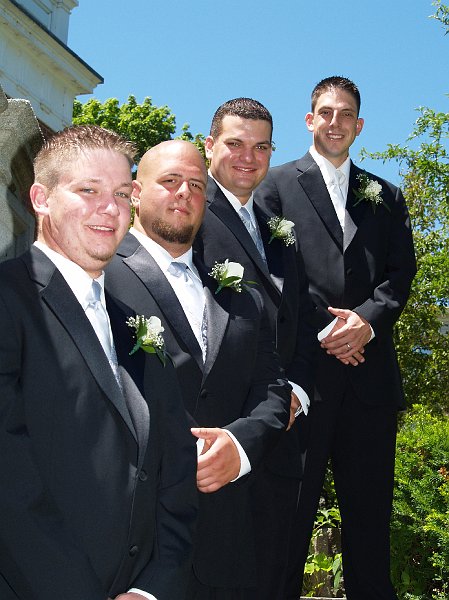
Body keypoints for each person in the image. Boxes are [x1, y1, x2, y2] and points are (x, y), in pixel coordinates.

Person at [0, 125, 198, 600]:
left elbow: (175, 467)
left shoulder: (137, 325)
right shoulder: (8, 299)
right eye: (88, 190)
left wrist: (152, 587)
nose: (111, 209)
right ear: (41, 199)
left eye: (122, 194)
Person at [105, 139, 291, 599]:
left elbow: (273, 388)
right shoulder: (100, 274)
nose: (184, 192)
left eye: (196, 184)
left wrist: (239, 446)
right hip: (131, 544)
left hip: (226, 547)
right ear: (135, 192)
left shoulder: (241, 295)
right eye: (170, 181)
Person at [256, 76, 417, 600]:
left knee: (370, 526)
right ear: (310, 119)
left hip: (370, 383)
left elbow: (400, 273)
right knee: (289, 521)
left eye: (346, 114)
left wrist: (366, 322)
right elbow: (272, 273)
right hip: (303, 381)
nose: (335, 122)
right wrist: (328, 329)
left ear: (359, 125)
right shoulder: (274, 186)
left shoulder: (386, 195)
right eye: (326, 112)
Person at [193, 97, 317, 600]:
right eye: (235, 144)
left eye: (262, 147)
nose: (249, 157)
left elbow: (302, 317)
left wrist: (296, 392)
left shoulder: (277, 227)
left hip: (280, 435)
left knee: (272, 576)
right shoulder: (189, 213)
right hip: (218, 437)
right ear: (209, 145)